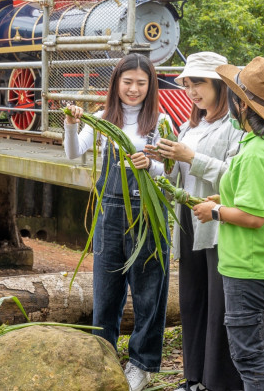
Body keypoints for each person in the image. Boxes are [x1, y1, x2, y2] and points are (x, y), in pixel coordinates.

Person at [64, 53, 170, 391]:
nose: (134, 89)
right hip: (109, 213)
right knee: (106, 291)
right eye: (128, 82)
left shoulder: (162, 122)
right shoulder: (101, 119)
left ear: (151, 85)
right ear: (116, 84)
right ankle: (103, 357)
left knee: (149, 291)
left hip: (148, 215)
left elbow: (168, 172)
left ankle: (142, 364)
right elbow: (72, 152)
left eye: (141, 83)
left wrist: (149, 166)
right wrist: (70, 124)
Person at [192, 57, 264, 390]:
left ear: (242, 106)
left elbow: (254, 216)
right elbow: (261, 199)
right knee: (260, 352)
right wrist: (221, 201)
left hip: (249, 268)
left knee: (248, 359)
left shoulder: (254, 154)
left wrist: (216, 213)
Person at [150, 52, 244, 391]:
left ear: (220, 84)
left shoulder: (235, 126)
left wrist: (191, 157)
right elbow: (181, 174)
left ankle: (217, 383)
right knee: (192, 301)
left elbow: (236, 180)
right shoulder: (190, 125)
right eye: (188, 84)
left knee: (218, 306)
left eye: (198, 83)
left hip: (219, 223)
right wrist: (166, 163)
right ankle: (194, 378)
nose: (191, 91)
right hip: (189, 220)